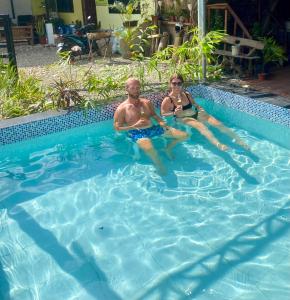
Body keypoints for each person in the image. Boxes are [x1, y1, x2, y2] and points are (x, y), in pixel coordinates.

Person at [114, 78, 188, 174]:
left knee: (184, 135)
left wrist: (161, 123)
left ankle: (168, 148)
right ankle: (159, 164)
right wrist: (133, 126)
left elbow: (154, 115)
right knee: (150, 148)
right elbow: (117, 128)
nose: (136, 90)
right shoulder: (122, 108)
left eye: (138, 88)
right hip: (136, 132)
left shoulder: (146, 102)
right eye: (133, 88)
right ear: (126, 89)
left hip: (153, 128)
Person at [161, 74, 250, 151]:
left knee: (217, 123)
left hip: (195, 114)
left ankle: (238, 140)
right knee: (201, 126)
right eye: (174, 83)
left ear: (182, 84)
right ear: (170, 84)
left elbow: (195, 104)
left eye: (179, 83)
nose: (176, 86)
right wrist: (174, 113)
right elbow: (163, 113)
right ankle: (218, 144)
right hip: (182, 118)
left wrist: (200, 109)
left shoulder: (186, 94)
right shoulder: (168, 100)